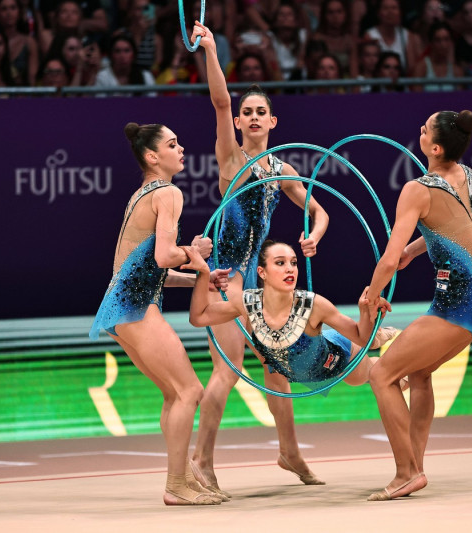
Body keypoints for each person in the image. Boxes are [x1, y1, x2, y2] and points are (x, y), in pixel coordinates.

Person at [189, 20, 331, 499]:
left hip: (257, 281)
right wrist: (210, 49)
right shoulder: (232, 161)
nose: (251, 117)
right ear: (238, 123)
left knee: (278, 366)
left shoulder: (281, 168)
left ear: (273, 122)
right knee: (227, 369)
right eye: (246, 112)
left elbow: (318, 208)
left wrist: (313, 235)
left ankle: (289, 451)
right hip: (226, 276)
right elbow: (220, 101)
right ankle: (200, 463)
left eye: (260, 112)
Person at [363, 109, 472, 501]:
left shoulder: (417, 189)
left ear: (436, 147)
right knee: (420, 374)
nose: (419, 131)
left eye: (424, 129)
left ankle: (406, 471)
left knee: (382, 375)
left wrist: (372, 295)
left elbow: (388, 261)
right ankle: (415, 468)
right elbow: (457, 228)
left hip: (457, 305)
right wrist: (415, 248)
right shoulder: (470, 176)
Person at [88, 121, 230, 505]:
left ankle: (182, 477)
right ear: (153, 156)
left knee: (174, 394)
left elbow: (154, 272)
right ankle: (176, 485)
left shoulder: (143, 194)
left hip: (123, 305)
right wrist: (196, 252)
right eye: (172, 144)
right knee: (190, 390)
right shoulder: (167, 192)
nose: (181, 148)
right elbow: (165, 256)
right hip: (132, 307)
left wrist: (202, 276)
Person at [183, 240, 397, 390]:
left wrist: (365, 313)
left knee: (375, 364)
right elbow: (199, 318)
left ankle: (388, 335)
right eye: (280, 263)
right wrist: (203, 272)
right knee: (378, 361)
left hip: (338, 358)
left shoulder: (313, 305)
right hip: (303, 371)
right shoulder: (249, 303)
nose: (290, 269)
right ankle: (385, 338)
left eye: (293, 263)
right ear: (262, 272)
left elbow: (361, 337)